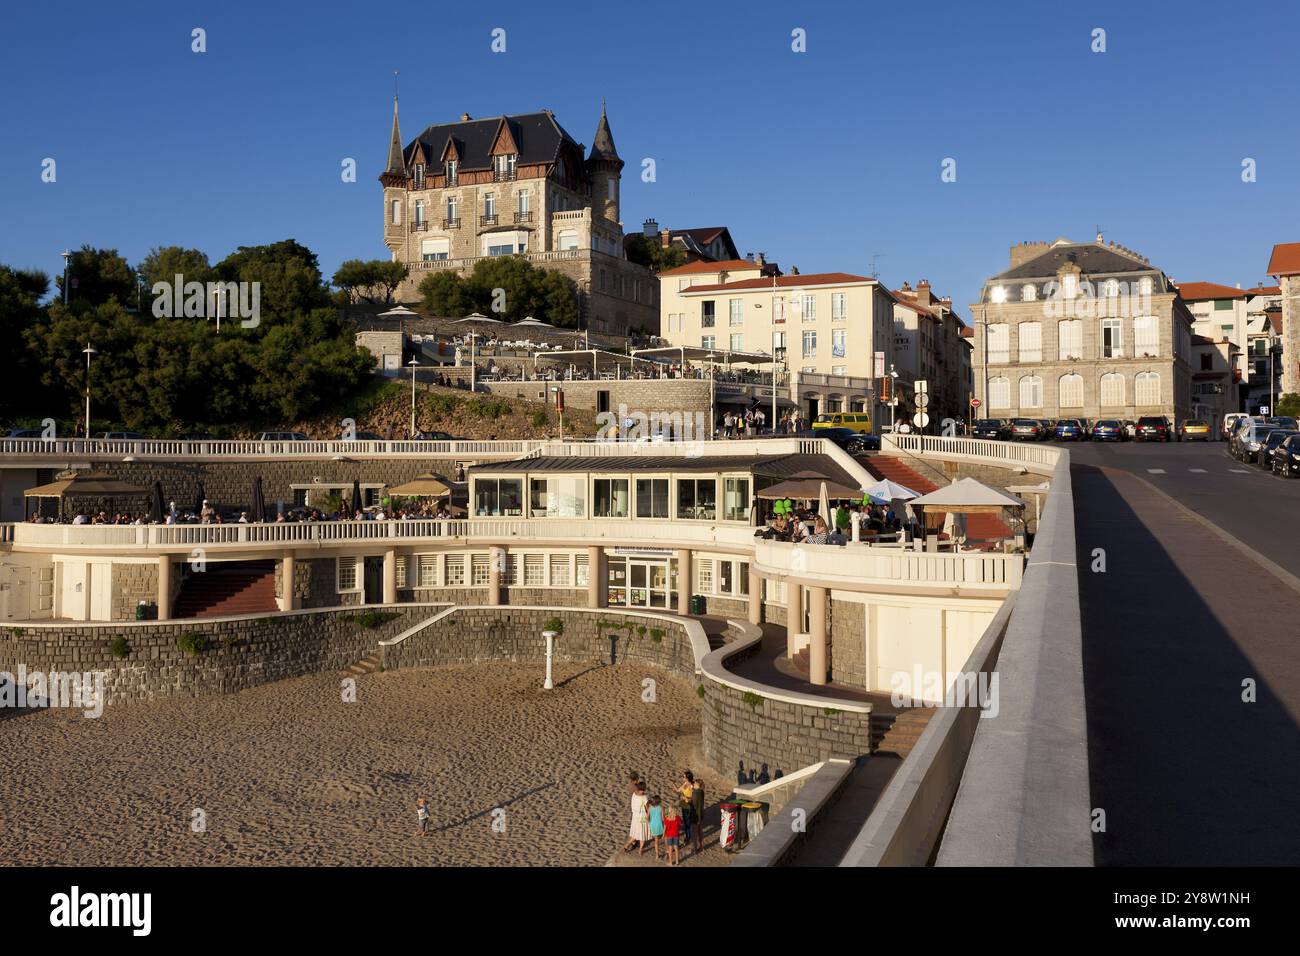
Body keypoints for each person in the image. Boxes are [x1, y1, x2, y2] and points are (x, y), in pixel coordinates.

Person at [623, 781, 650, 854]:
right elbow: (648, 808)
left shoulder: (634, 794)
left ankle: (627, 845)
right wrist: (649, 817)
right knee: (642, 834)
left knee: (636, 833)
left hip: (635, 816)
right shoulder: (644, 797)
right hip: (642, 817)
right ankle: (640, 850)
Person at [690, 775, 705, 855]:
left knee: (694, 833)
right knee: (700, 831)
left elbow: (693, 804)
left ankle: (695, 849)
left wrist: (687, 801)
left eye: (695, 783)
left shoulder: (695, 793)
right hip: (701, 814)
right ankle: (702, 847)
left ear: (698, 785)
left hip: (695, 815)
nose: (693, 784)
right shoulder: (701, 791)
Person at [647, 794, 665, 860]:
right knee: (665, 837)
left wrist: (649, 823)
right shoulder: (661, 808)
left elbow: (647, 817)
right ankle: (668, 850)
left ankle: (657, 855)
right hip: (659, 824)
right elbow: (663, 818)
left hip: (653, 824)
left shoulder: (650, 807)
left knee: (656, 841)